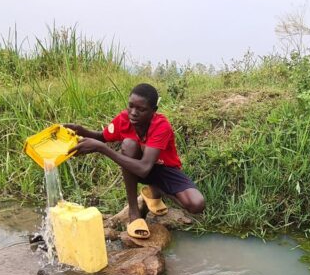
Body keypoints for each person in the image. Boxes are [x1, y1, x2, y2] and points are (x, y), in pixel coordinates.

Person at [63, 83, 205, 239]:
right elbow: (102, 137)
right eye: (130, 106)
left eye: (141, 109)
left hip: (164, 169)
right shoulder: (123, 119)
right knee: (129, 145)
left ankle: (155, 190)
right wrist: (82, 130)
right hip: (137, 167)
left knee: (196, 204)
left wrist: (102, 149)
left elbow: (144, 168)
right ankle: (134, 212)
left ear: (153, 111)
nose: (133, 113)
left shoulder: (161, 125)